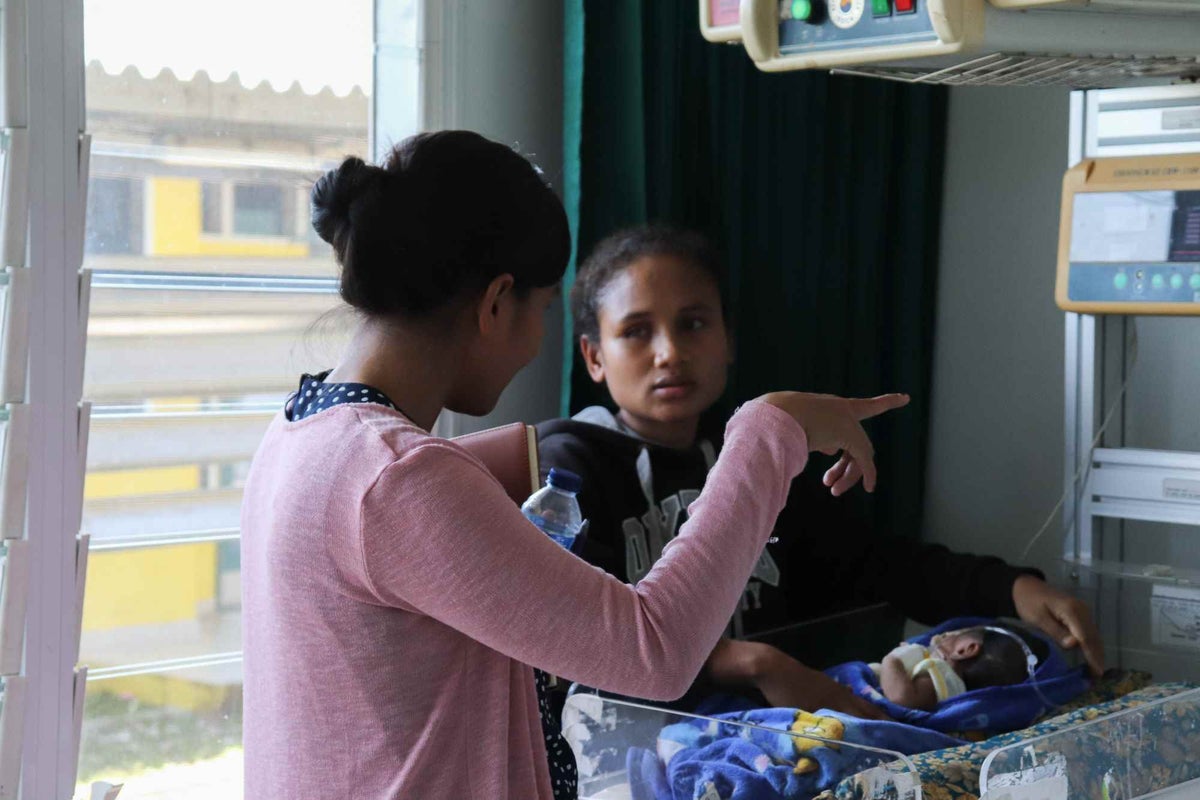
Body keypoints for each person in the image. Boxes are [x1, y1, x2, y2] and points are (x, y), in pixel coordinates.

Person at [239, 131, 908, 800]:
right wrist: (770, 431)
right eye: (545, 310)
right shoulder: (399, 481)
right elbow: (654, 651)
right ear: (497, 303)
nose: (535, 343)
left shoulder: (302, 433)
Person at [536, 224, 1105, 720]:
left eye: (694, 324)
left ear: (728, 339)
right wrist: (753, 664)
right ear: (593, 356)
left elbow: (876, 564)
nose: (669, 353)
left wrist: (1012, 588)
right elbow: (585, 635)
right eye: (636, 331)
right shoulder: (568, 470)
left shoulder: (756, 459)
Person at [875, 624, 1047, 710]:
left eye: (948, 635)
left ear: (965, 649)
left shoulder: (943, 675)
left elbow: (901, 697)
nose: (937, 637)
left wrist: (894, 659)